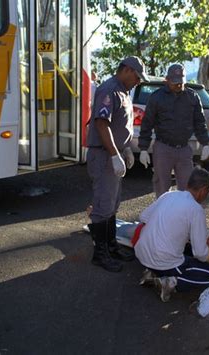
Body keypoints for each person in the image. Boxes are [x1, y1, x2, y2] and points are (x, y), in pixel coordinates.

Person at [86, 56, 149, 272]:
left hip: (113, 152)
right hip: (104, 155)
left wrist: (126, 148)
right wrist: (114, 154)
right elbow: (102, 124)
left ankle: (111, 246)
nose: (138, 82)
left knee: (112, 205)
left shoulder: (123, 91)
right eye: (137, 77)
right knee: (103, 206)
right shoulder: (109, 89)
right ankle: (100, 254)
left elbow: (120, 125)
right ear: (128, 70)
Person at [133, 167, 209, 302]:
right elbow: (200, 253)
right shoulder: (195, 209)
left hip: (142, 253)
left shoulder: (169, 195)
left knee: (186, 251)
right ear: (203, 190)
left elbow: (143, 216)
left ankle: (154, 274)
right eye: (208, 192)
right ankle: (169, 282)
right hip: (163, 261)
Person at [138, 64, 209, 198]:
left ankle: (183, 217)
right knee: (162, 189)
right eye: (174, 82)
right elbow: (147, 123)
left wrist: (205, 143)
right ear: (167, 80)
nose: (178, 85)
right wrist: (143, 148)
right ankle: (164, 216)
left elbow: (199, 122)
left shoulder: (192, 97)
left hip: (184, 148)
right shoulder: (156, 97)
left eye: (180, 83)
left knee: (188, 190)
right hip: (163, 148)